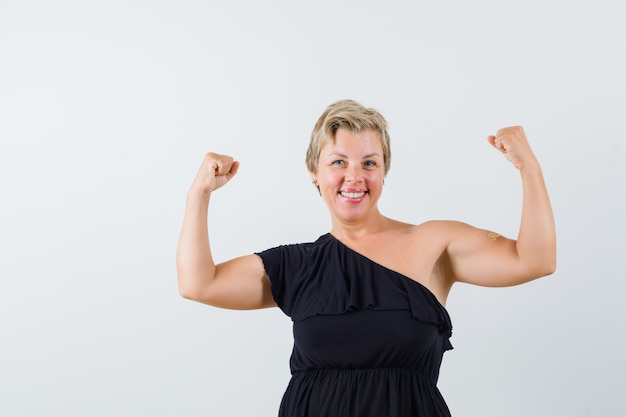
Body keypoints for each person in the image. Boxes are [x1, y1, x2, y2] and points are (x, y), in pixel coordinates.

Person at [176, 99, 556, 417]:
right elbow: (198, 283)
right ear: (315, 172)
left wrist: (529, 168)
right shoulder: (296, 266)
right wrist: (200, 193)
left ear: (384, 170)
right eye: (338, 162)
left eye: (369, 163)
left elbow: (535, 259)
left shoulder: (434, 242)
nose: (354, 177)